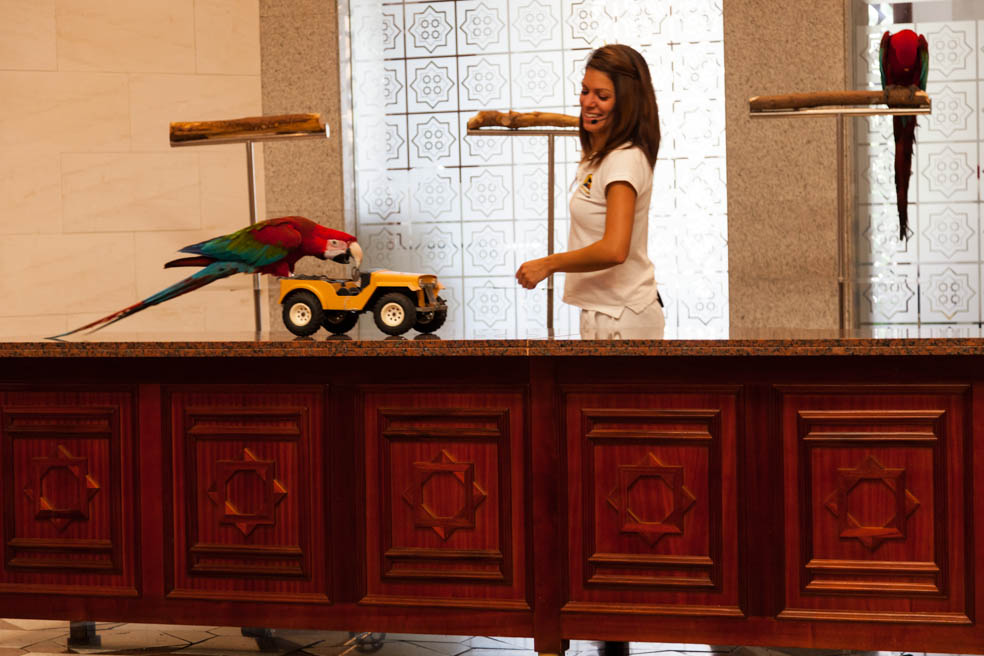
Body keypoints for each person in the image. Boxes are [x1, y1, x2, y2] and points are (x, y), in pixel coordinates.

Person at [515, 43, 663, 340]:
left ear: (626, 104)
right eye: (585, 91)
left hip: (624, 316)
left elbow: (614, 249)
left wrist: (548, 264)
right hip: (603, 312)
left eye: (602, 96)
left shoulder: (624, 160)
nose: (588, 102)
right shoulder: (601, 157)